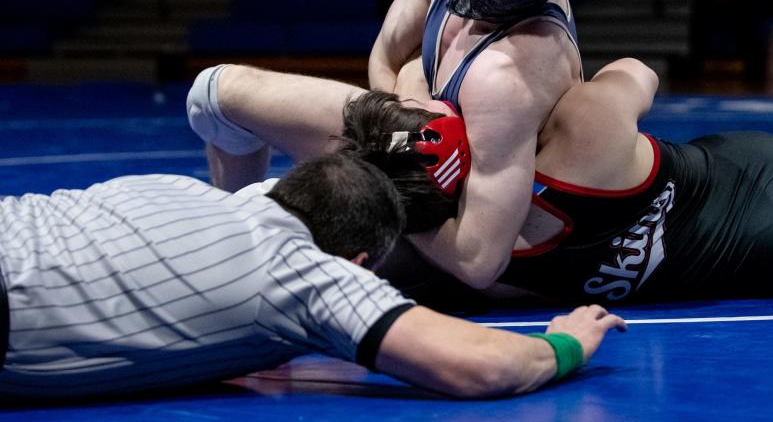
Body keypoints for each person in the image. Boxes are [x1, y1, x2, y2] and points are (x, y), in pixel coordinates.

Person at [189, 60, 773, 309]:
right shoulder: (393, 230)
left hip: (745, 210)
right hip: (742, 228)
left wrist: (581, 91)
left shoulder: (580, 131)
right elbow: (213, 94)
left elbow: (636, 73)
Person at [0, 149, 625, 399]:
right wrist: (565, 343)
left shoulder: (170, 187)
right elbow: (480, 366)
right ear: (357, 264)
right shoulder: (304, 274)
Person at [365, 0, 613, 290]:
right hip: (425, 190)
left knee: (291, 236)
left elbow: (478, 262)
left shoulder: (514, 71)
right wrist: (407, 128)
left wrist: (391, 157)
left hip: (491, 247)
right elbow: (383, 57)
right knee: (215, 97)